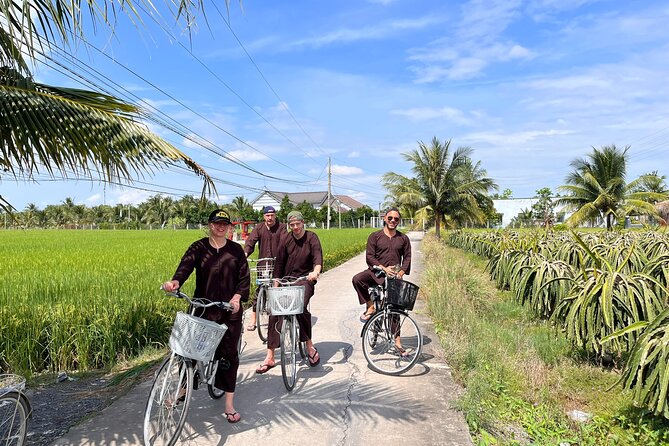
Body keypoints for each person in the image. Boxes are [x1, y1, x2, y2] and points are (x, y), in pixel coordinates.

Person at [162, 209, 249, 424]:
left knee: (229, 355)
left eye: (224, 224)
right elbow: (185, 267)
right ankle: (183, 390)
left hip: (229, 311)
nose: (220, 227)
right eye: (216, 223)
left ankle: (229, 404)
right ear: (210, 225)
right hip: (203, 308)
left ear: (229, 227)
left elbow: (244, 279)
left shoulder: (236, 251)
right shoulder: (199, 247)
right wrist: (175, 283)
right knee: (188, 351)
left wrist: (237, 299)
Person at [256, 210, 323, 373]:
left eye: (297, 224)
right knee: (275, 312)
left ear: (303, 222)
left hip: (304, 280)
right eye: (292, 225)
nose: (295, 228)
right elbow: (279, 265)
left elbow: (317, 258)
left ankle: (309, 346)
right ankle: (270, 356)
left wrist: (315, 272)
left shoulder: (312, 237)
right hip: (286, 279)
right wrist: (276, 286)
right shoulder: (286, 239)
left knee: (300, 308)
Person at [352, 207, 411, 322]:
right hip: (376, 273)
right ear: (385, 218)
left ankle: (397, 339)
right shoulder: (374, 236)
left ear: (399, 221)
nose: (392, 221)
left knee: (394, 308)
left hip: (394, 277)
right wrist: (384, 269)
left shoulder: (403, 238)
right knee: (357, 279)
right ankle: (370, 306)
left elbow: (407, 256)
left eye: (396, 219)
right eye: (390, 218)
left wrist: (401, 272)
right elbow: (370, 256)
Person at [244, 205, 285, 331]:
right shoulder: (259, 228)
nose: (270, 218)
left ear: (275, 215)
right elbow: (250, 242)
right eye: (267, 215)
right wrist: (245, 254)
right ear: (264, 216)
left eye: (272, 215)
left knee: (279, 290)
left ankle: (281, 317)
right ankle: (253, 319)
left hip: (278, 264)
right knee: (259, 291)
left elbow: (285, 243)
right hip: (263, 264)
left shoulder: (281, 227)